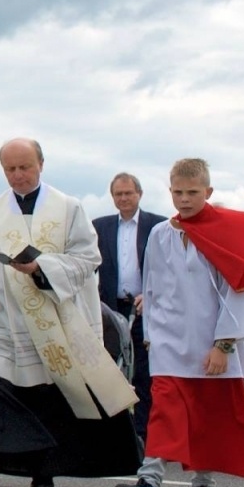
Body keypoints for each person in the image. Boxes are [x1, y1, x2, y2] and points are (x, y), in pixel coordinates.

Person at [0, 139, 140, 487]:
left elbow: (88, 259)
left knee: (47, 397)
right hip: (4, 319)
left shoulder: (69, 207)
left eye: (25, 168)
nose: (18, 176)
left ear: (41, 164)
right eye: (10, 170)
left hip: (55, 318)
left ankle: (43, 469)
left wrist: (41, 267)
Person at [112, 159, 244, 487]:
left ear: (208, 192)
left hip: (211, 344)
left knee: (206, 417)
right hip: (170, 342)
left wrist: (224, 345)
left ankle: (203, 486)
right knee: (165, 410)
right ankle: (149, 483)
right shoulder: (162, 233)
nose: (184, 199)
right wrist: (152, 335)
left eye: (192, 192)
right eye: (178, 192)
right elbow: (153, 286)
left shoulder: (223, 234)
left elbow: (235, 291)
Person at [93, 172, 167, 439]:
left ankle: (143, 437)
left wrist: (152, 294)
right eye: (118, 194)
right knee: (111, 372)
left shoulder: (158, 226)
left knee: (145, 374)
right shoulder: (99, 227)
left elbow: (169, 269)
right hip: (111, 310)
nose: (123, 198)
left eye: (128, 193)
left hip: (146, 309)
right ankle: (113, 437)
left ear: (139, 194)